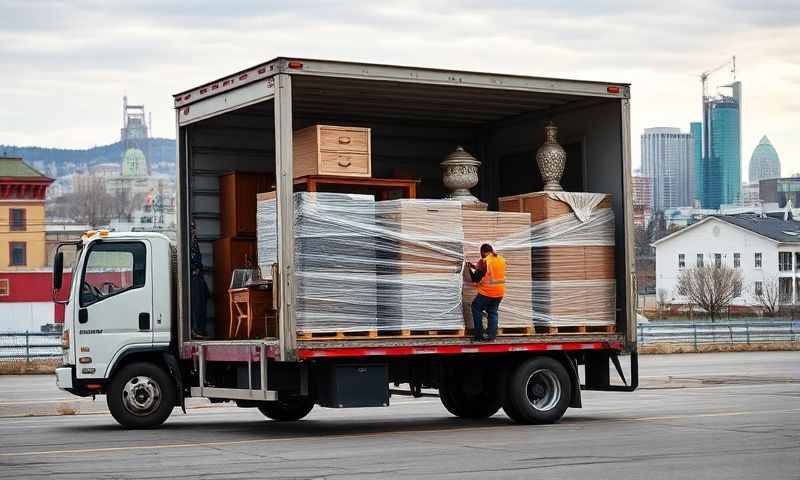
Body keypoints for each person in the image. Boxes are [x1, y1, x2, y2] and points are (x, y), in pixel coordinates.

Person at [467, 243, 506, 341]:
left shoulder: (483, 261)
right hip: (499, 292)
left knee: (476, 307)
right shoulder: (500, 259)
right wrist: (475, 267)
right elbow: (490, 271)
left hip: (487, 292)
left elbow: (475, 279)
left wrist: (469, 269)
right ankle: (491, 336)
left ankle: (479, 335)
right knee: (493, 312)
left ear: (482, 251)